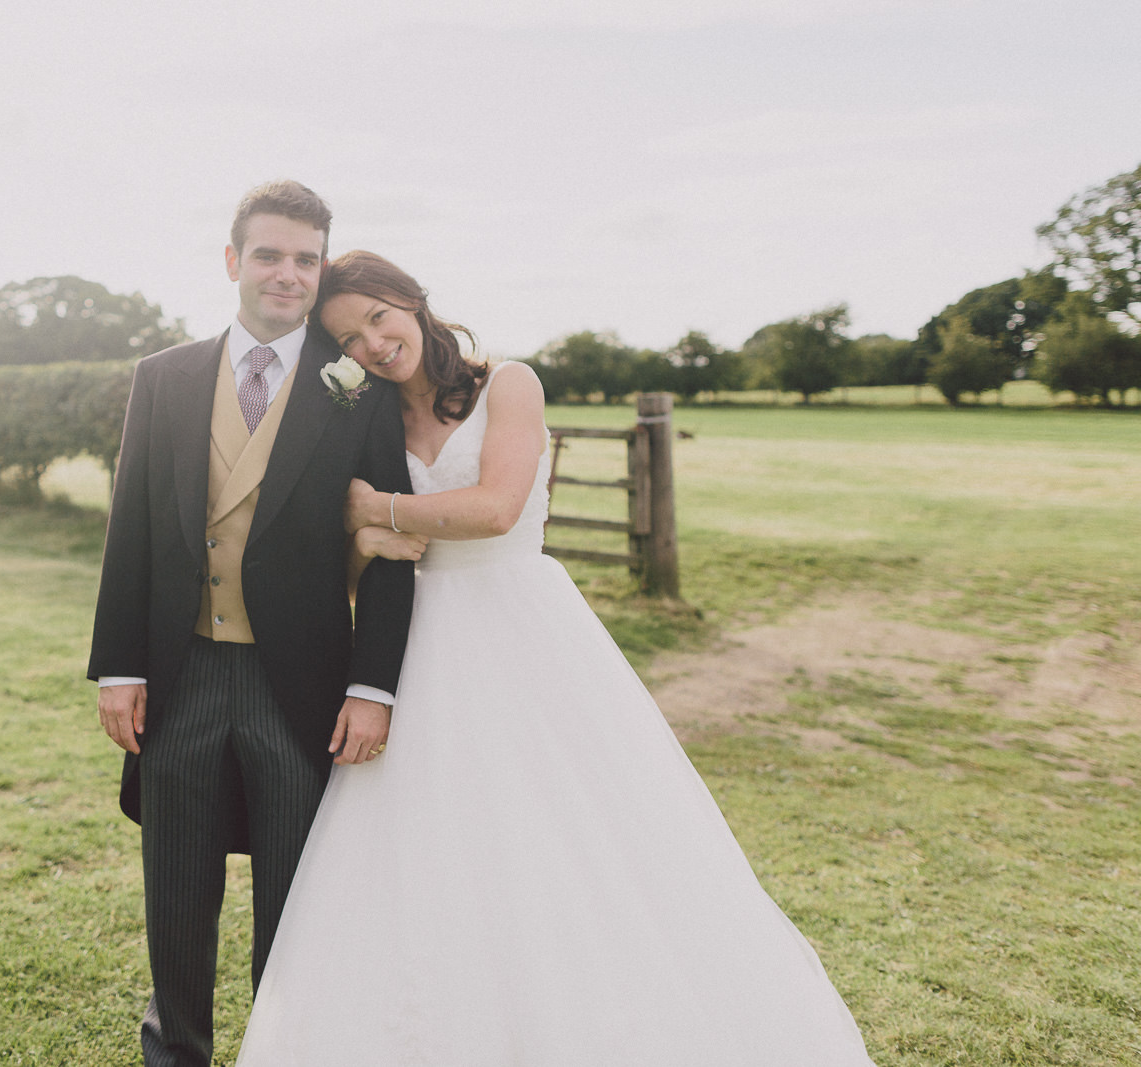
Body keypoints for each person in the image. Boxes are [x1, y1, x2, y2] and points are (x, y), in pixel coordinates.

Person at [234, 251, 879, 1066]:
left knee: (567, 828)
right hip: (420, 645)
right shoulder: (370, 421)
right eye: (349, 340)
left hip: (521, 627)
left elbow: (498, 507)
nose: (372, 344)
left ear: (413, 302)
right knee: (428, 842)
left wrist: (380, 508)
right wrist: (365, 537)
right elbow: (364, 559)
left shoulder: (510, 384)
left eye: (378, 318)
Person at [86, 184, 416, 1067]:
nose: (288, 274)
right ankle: (176, 1054)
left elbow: (390, 550)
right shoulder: (165, 376)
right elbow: (134, 526)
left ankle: (289, 1051)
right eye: (269, 255)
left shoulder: (360, 392)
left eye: (306, 259)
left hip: (301, 684)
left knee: (297, 906)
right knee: (178, 897)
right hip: (180, 671)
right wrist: (119, 664)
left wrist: (372, 685)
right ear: (233, 262)